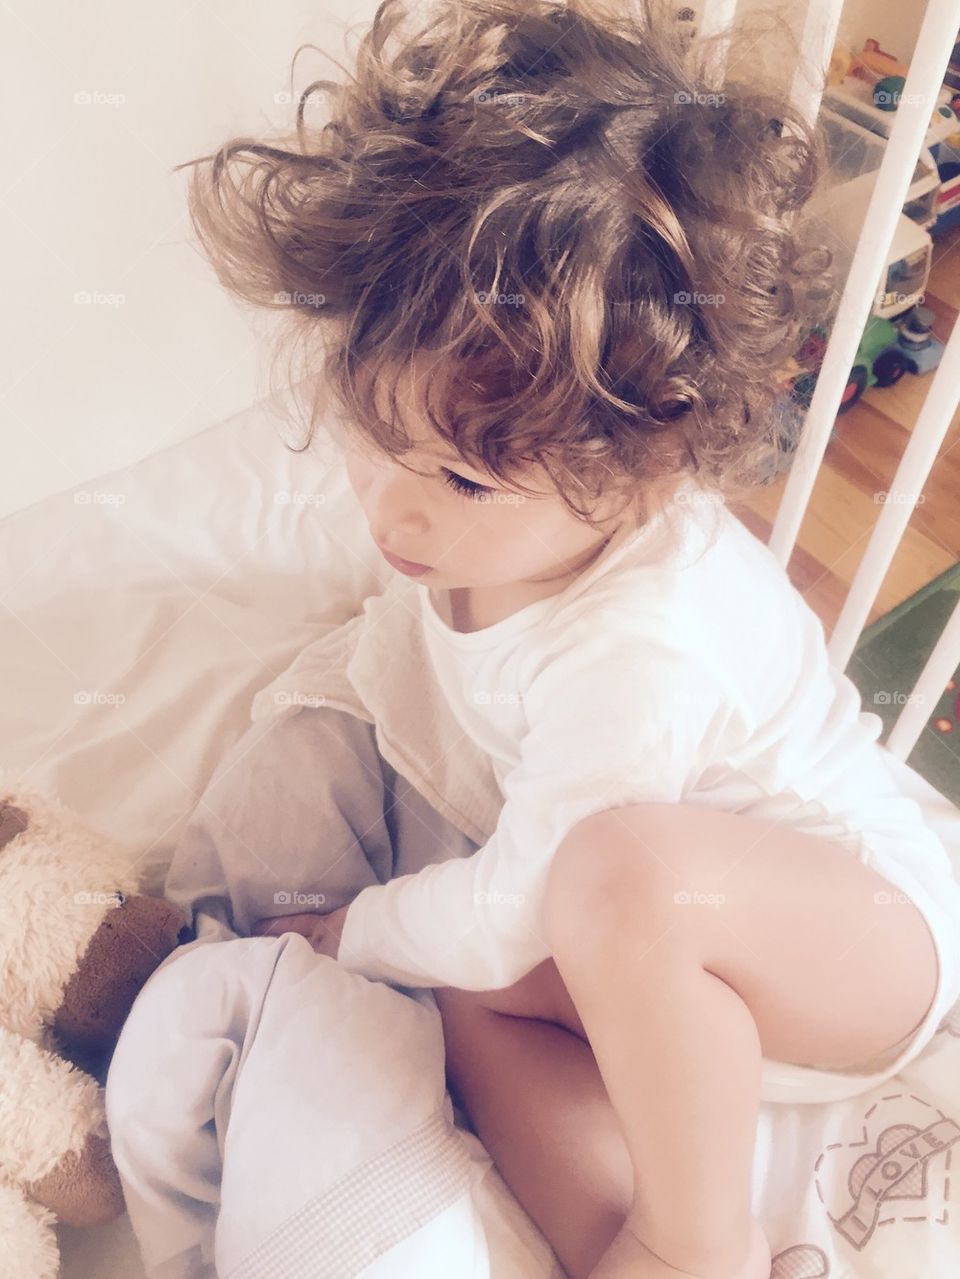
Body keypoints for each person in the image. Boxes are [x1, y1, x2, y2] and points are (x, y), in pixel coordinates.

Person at [109, 1, 960, 1277]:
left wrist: (350, 929)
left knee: (596, 882)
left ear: (651, 471)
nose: (394, 508)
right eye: (375, 435)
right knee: (461, 1009)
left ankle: (690, 1241)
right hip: (685, 993)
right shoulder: (480, 525)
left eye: (458, 482)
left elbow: (523, 905)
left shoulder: (645, 643)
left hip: (855, 935)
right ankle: (666, 1241)